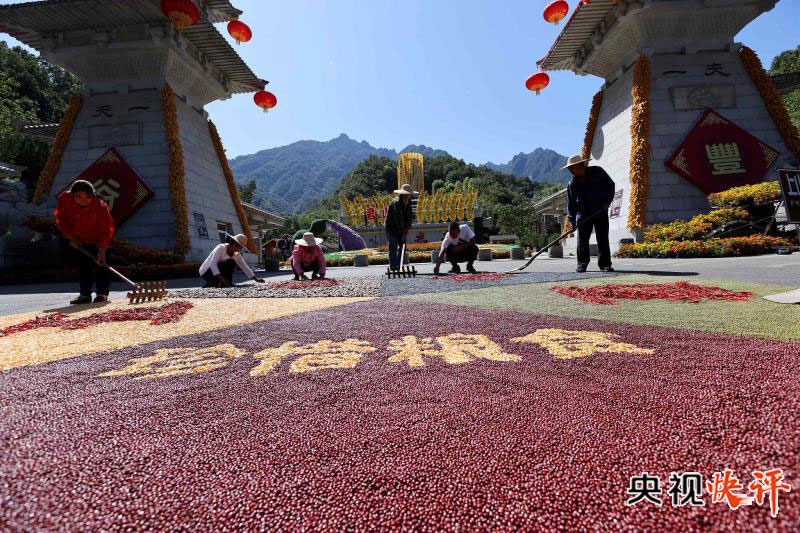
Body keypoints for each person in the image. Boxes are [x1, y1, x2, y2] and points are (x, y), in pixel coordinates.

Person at [56, 180, 116, 304]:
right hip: (81, 239)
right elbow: (63, 220)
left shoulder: (100, 206)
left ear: (92, 195)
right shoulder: (65, 199)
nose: (83, 201)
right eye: (78, 197)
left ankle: (102, 294)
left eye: (87, 198)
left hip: (100, 239)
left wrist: (102, 251)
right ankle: (85, 295)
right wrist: (71, 237)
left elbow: (106, 230)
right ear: (73, 195)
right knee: (84, 266)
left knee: (102, 265)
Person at [564, 155, 616, 273]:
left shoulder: (598, 172)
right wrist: (572, 221)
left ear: (581, 165)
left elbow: (610, 185)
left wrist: (607, 201)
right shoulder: (572, 184)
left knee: (602, 238)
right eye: (571, 168)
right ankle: (582, 264)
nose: (572, 170)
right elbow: (571, 204)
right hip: (583, 214)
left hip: (600, 210)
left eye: (574, 167)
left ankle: (605, 264)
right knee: (582, 240)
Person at [199, 233, 265, 287]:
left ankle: (224, 283)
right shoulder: (221, 248)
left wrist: (256, 279)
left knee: (231, 262)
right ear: (235, 245)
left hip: (217, 271)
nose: (240, 249)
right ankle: (216, 283)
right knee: (220, 283)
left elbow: (243, 265)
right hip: (206, 271)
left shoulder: (236, 254)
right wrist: (223, 279)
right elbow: (212, 263)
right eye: (240, 247)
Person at [385, 184, 414, 270]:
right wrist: (402, 231)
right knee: (393, 247)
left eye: (409, 194)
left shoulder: (408, 203)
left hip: (402, 228)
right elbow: (398, 218)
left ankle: (398, 265)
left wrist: (407, 228)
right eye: (407, 194)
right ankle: (393, 266)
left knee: (403, 247)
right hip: (392, 228)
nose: (408, 195)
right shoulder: (396, 203)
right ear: (403, 194)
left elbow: (409, 217)